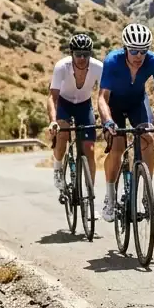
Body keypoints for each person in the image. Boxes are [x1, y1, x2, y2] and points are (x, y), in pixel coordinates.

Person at [96, 23, 154, 223]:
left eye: (143, 51)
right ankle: (110, 197)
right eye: (133, 51)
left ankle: (147, 193)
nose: (139, 56)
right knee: (117, 147)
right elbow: (102, 98)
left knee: (148, 138)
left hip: (137, 103)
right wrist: (107, 121)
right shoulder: (112, 61)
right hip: (114, 105)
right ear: (125, 48)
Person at [46, 33, 104, 200]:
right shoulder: (61, 67)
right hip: (64, 104)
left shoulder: (98, 67)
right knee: (63, 134)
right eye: (78, 54)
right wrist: (53, 122)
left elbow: (106, 95)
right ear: (71, 54)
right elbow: (52, 97)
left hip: (84, 105)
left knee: (90, 150)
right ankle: (58, 169)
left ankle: (89, 196)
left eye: (86, 54)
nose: (81, 58)